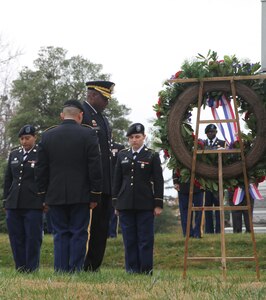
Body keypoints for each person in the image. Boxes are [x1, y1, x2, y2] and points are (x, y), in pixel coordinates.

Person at [35, 100, 102, 273]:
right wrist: (95, 194)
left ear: (62, 115)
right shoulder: (88, 135)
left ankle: (60, 270)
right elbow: (95, 167)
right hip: (81, 194)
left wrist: (43, 195)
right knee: (79, 232)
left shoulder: (48, 136)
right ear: (80, 116)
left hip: (55, 194)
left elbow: (41, 169)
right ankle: (75, 270)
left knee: (60, 233)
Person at [112, 123, 164, 274]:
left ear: (143, 137)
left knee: (145, 239)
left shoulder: (151, 155)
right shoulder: (122, 155)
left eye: (137, 137)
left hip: (145, 203)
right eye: (131, 138)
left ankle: (146, 269)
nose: (134, 140)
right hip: (125, 203)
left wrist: (158, 203)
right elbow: (117, 180)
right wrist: (116, 203)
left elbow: (158, 180)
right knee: (129, 239)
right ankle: (131, 269)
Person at [82, 80, 115, 272]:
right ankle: (85, 263)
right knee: (89, 227)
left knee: (101, 227)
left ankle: (94, 265)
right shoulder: (83, 115)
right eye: (104, 98)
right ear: (93, 95)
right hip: (90, 183)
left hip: (105, 182)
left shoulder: (102, 118)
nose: (107, 103)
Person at [3, 125, 44, 272]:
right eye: (22, 139)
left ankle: (32, 268)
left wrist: (44, 199)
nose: (24, 141)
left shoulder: (41, 153)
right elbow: (8, 179)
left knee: (33, 237)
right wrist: (5, 200)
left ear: (35, 137)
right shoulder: (14, 154)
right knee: (16, 237)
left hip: (33, 202)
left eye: (27, 138)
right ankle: (20, 267)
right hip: (14, 202)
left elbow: (45, 178)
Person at [203, 124, 225, 234]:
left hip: (218, 179)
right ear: (206, 133)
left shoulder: (222, 143)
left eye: (213, 132)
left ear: (216, 132)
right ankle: (209, 231)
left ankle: (219, 230)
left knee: (218, 206)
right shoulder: (203, 144)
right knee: (207, 206)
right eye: (209, 132)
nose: (211, 134)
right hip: (206, 180)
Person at [173, 170, 204, 238]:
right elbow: (175, 167)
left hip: (198, 185)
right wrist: (175, 182)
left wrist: (204, 183)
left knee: (199, 211)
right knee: (184, 212)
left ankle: (197, 233)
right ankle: (188, 233)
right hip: (183, 185)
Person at [108, 140, 125, 238]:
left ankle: (112, 233)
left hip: (115, 182)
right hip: (103, 182)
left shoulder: (119, 147)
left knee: (114, 208)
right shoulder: (97, 145)